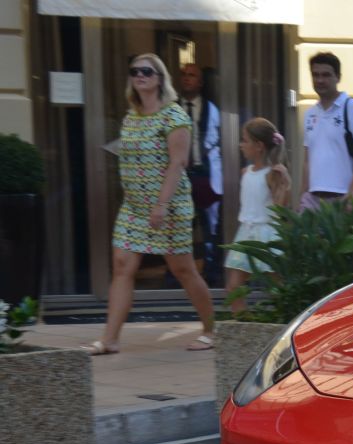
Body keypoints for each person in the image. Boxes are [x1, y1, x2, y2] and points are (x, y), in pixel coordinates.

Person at [84, 53, 216, 355]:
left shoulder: (174, 116)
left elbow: (178, 162)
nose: (140, 76)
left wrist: (161, 204)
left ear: (159, 78)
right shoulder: (131, 117)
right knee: (121, 266)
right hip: (134, 207)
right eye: (134, 71)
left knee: (183, 270)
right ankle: (110, 339)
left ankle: (211, 329)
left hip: (167, 205)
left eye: (147, 71)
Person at [224, 118, 291, 314]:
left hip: (267, 234)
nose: (241, 144)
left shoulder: (273, 174)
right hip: (245, 233)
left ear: (259, 146)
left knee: (278, 288)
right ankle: (244, 328)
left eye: (245, 140)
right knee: (234, 288)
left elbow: (279, 209)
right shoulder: (245, 172)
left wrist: (286, 183)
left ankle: (283, 325)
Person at [300, 52, 353, 208]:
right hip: (313, 200)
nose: (320, 80)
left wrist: (352, 192)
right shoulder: (309, 114)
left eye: (326, 75)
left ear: (338, 77)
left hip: (345, 199)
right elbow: (307, 160)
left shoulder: (352, 108)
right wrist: (303, 196)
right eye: (315, 75)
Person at [177, 63, 222, 280]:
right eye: (184, 75)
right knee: (179, 223)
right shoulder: (172, 109)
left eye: (192, 75)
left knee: (209, 222)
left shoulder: (212, 109)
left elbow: (218, 141)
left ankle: (212, 267)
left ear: (201, 82)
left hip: (205, 173)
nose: (187, 78)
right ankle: (176, 271)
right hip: (179, 175)